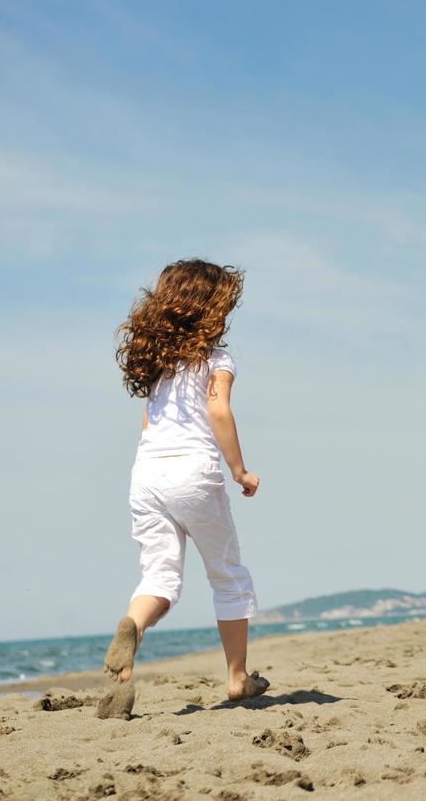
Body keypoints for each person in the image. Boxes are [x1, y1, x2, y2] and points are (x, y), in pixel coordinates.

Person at [100, 259, 268, 712]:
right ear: (211, 310)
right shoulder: (216, 360)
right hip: (193, 472)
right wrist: (239, 471)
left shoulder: (157, 364)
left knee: (159, 576)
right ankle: (237, 679)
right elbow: (217, 411)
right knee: (228, 574)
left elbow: (146, 423)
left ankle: (132, 629)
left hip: (146, 474)